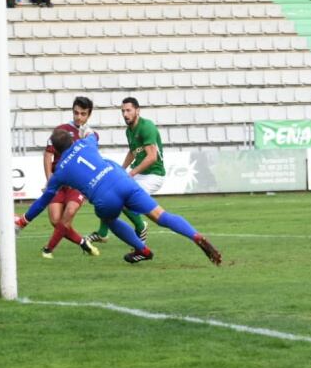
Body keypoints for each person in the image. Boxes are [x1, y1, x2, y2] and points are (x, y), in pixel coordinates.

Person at [18, 129, 221, 266]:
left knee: (110, 220)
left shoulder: (60, 170)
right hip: (122, 180)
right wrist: (89, 131)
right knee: (161, 215)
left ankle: (142, 249)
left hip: (103, 197)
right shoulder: (87, 143)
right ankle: (195, 235)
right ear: (73, 140)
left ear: (55, 150)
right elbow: (95, 135)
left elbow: (44, 200)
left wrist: (25, 220)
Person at [87, 97, 163, 246]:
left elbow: (152, 157)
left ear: (137, 110)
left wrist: (132, 172)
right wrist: (121, 170)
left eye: (128, 110)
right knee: (110, 192)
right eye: (123, 111)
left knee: (122, 198)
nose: (125, 114)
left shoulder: (146, 127)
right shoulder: (129, 130)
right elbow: (133, 152)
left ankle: (141, 226)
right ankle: (103, 233)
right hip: (140, 174)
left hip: (153, 175)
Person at [38, 97, 101, 259]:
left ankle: (48, 249)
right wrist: (50, 179)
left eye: (83, 114)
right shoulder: (61, 130)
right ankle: (83, 242)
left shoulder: (91, 136)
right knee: (55, 220)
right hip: (59, 182)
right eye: (76, 113)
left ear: (89, 115)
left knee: (69, 212)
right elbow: (48, 155)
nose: (78, 117)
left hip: (77, 185)